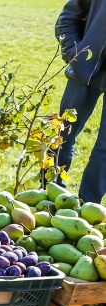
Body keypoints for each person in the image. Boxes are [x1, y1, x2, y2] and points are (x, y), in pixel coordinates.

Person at [55, 0, 106, 203]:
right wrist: (74, 54)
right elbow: (68, 17)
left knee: (105, 148)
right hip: (85, 71)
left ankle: (87, 208)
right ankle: (50, 197)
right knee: (61, 136)